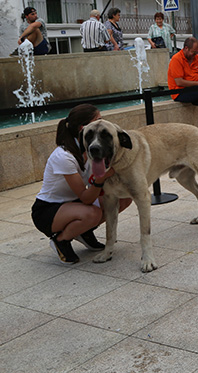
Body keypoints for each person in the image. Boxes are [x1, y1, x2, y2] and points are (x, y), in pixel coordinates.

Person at [31, 104, 131, 264]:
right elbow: (86, 198)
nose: (104, 123)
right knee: (92, 213)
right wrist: (101, 178)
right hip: (48, 210)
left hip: (73, 203)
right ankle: (61, 239)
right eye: (99, 120)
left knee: (123, 198)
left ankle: (85, 232)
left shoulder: (90, 149)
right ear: (84, 128)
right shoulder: (64, 157)